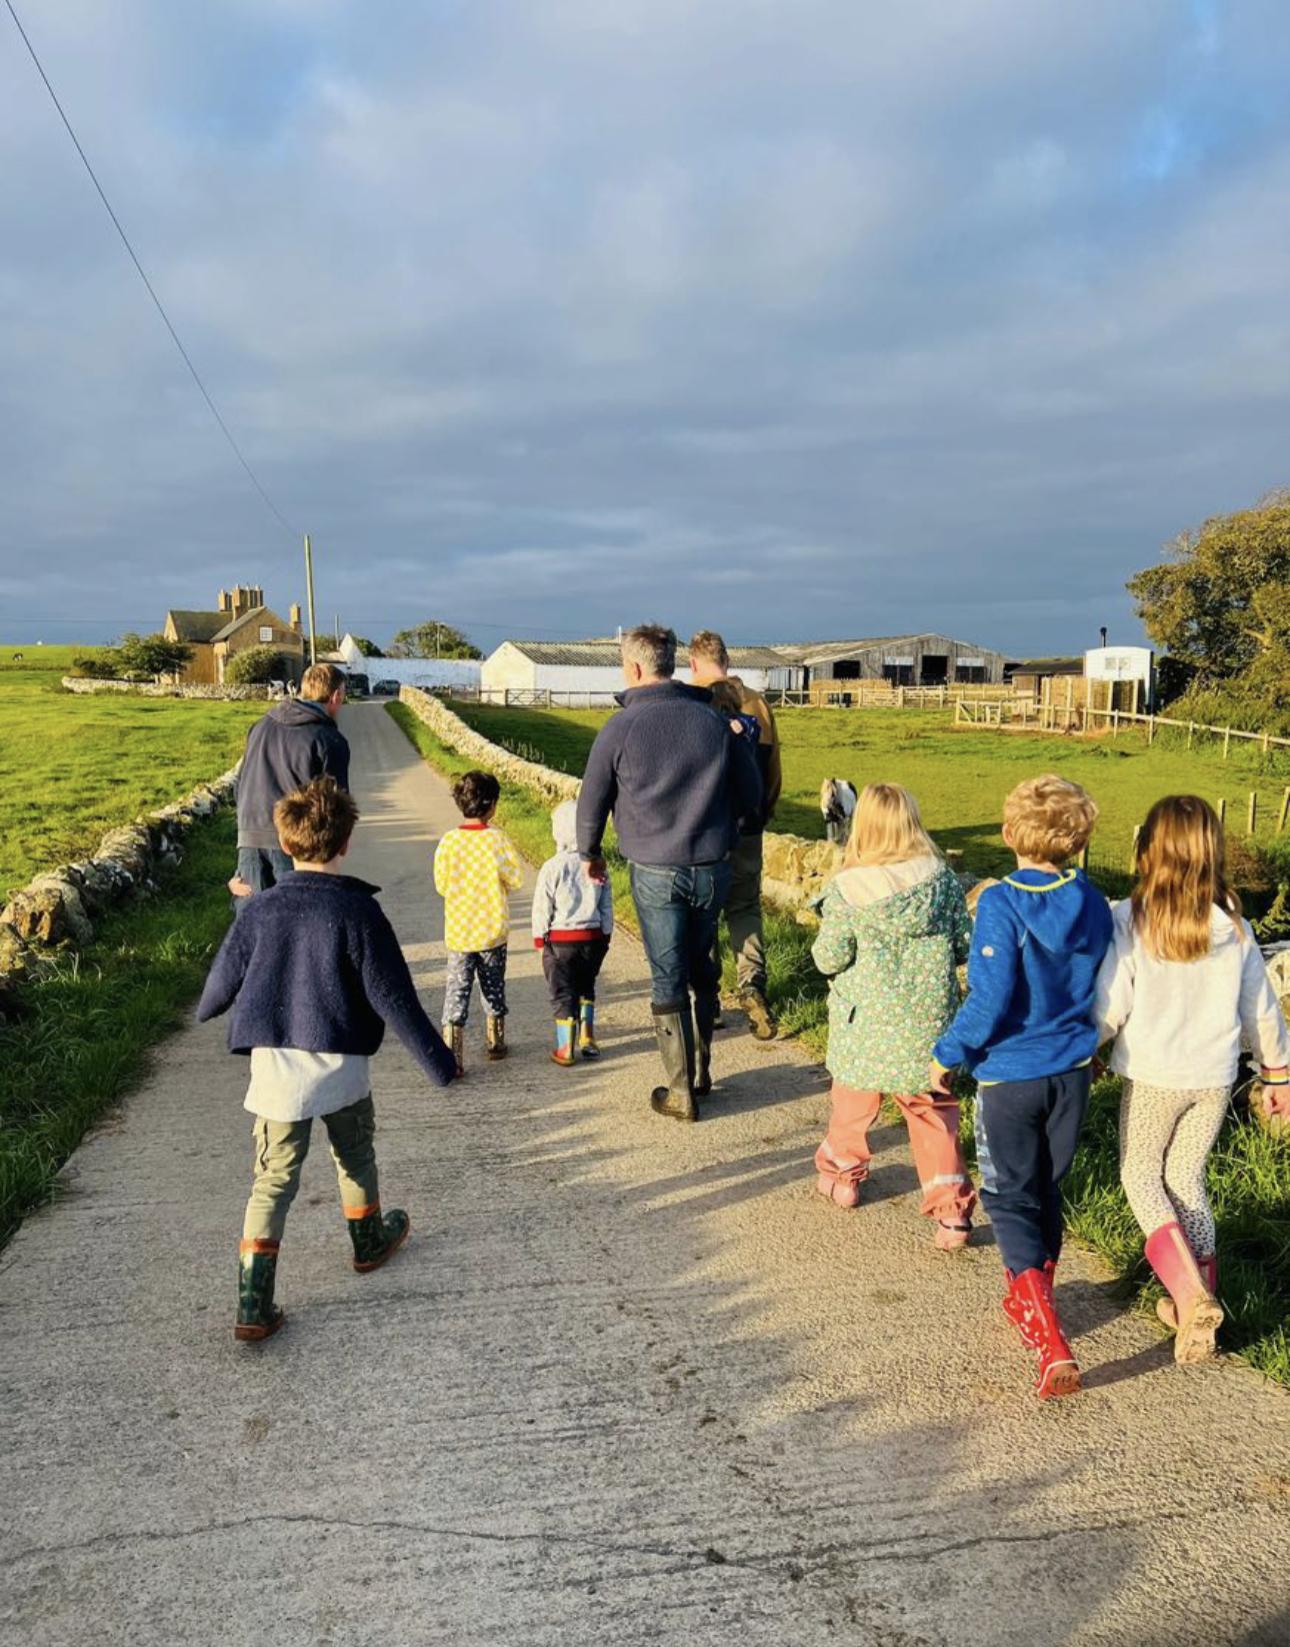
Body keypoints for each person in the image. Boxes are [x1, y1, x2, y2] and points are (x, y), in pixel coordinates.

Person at [196, 777, 457, 1343]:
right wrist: (439, 1062)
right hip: (342, 1071)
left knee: (271, 1182)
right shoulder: (359, 912)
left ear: (286, 845)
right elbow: (395, 999)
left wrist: (207, 1008)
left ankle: (253, 1301)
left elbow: (219, 986)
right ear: (346, 842)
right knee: (355, 1157)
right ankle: (368, 1243)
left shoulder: (259, 911)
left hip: (276, 1079)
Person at [930, 774, 1112, 1400]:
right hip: (1070, 1071)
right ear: (1079, 839)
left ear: (1008, 834)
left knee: (1008, 1196)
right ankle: (1034, 1296)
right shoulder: (1091, 899)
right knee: (1045, 1187)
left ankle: (1047, 1337)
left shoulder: (1002, 903)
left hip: (1010, 1073)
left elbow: (991, 995)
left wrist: (946, 1055)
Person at [1095, 795, 1290, 1362]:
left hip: (1156, 1076)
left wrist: (1084, 1049)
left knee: (1140, 1176)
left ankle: (1187, 1293)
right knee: (1186, 1178)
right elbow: (1262, 1008)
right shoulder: (1233, 923)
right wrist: (1277, 1073)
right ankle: (1199, 1304)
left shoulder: (1130, 918)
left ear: (1147, 852)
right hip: (1211, 1078)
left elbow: (1111, 1002)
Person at [577, 624, 762, 1122]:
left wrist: (589, 852)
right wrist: (727, 831)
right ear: (671, 664)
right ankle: (703, 1071)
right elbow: (751, 798)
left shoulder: (620, 728)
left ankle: (681, 1090)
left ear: (635, 668)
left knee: (667, 975)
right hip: (711, 865)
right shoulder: (713, 721)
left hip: (655, 867)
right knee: (702, 966)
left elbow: (591, 801)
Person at [811, 785, 977, 1249]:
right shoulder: (940, 881)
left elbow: (829, 957)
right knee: (933, 1115)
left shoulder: (847, 889)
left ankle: (843, 1179)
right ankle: (951, 1215)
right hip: (927, 1026)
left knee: (853, 1101)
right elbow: (964, 943)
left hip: (864, 1023)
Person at [688, 630, 782, 1040]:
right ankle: (751, 985)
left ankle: (707, 1003)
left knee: (703, 911)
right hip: (748, 827)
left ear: (693, 664)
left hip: (705, 828)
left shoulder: (691, 703)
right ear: (727, 661)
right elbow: (773, 768)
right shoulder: (758, 705)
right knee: (744, 908)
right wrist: (764, 812)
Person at [232, 661, 350, 897]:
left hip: (250, 835)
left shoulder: (261, 726)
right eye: (343, 697)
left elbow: (240, 782)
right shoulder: (328, 739)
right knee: (298, 920)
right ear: (335, 696)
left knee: (254, 920)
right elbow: (336, 806)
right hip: (295, 841)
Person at [433, 770, 523, 1075]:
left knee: (456, 989)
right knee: (493, 985)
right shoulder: (497, 840)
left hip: (459, 932)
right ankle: (495, 1041)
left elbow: (441, 884)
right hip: (491, 931)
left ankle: (452, 1055)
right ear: (492, 805)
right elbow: (516, 878)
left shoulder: (448, 842)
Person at [532, 799, 614, 1065]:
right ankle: (588, 1037)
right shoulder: (598, 864)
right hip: (593, 938)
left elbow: (542, 906)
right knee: (586, 986)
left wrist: (539, 936)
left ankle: (565, 1047)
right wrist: (606, 933)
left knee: (562, 990)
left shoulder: (552, 867)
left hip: (560, 941)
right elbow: (606, 904)